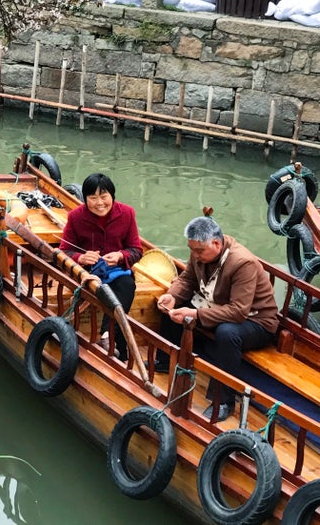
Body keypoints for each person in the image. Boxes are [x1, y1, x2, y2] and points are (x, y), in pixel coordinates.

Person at [156, 215, 279, 422]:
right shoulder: (200, 251)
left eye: (199, 251)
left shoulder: (243, 263)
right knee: (174, 309)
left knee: (226, 333)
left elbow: (239, 312)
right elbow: (187, 279)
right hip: (217, 306)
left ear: (216, 243)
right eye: (192, 249)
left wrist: (196, 314)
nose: (195, 255)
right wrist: (172, 295)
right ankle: (165, 360)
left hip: (256, 321)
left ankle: (223, 400)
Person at [59, 173, 143, 361]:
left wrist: (121, 256)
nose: (99, 203)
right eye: (93, 198)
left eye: (104, 197)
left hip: (116, 272)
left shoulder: (127, 213)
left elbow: (136, 250)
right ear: (85, 198)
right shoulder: (75, 217)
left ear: (112, 196)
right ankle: (117, 347)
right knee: (104, 288)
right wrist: (81, 258)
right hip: (88, 274)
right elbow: (64, 251)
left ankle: (106, 337)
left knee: (126, 286)